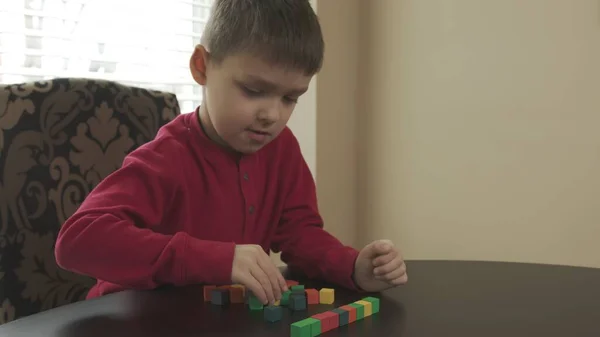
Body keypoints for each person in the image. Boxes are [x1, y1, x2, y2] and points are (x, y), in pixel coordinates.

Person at [54, 0, 408, 305]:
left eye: (290, 98)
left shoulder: (282, 149)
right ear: (202, 67)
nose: (272, 114)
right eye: (254, 90)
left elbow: (301, 236)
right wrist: (218, 259)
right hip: (134, 316)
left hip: (215, 319)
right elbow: (77, 241)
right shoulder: (167, 157)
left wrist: (353, 267)